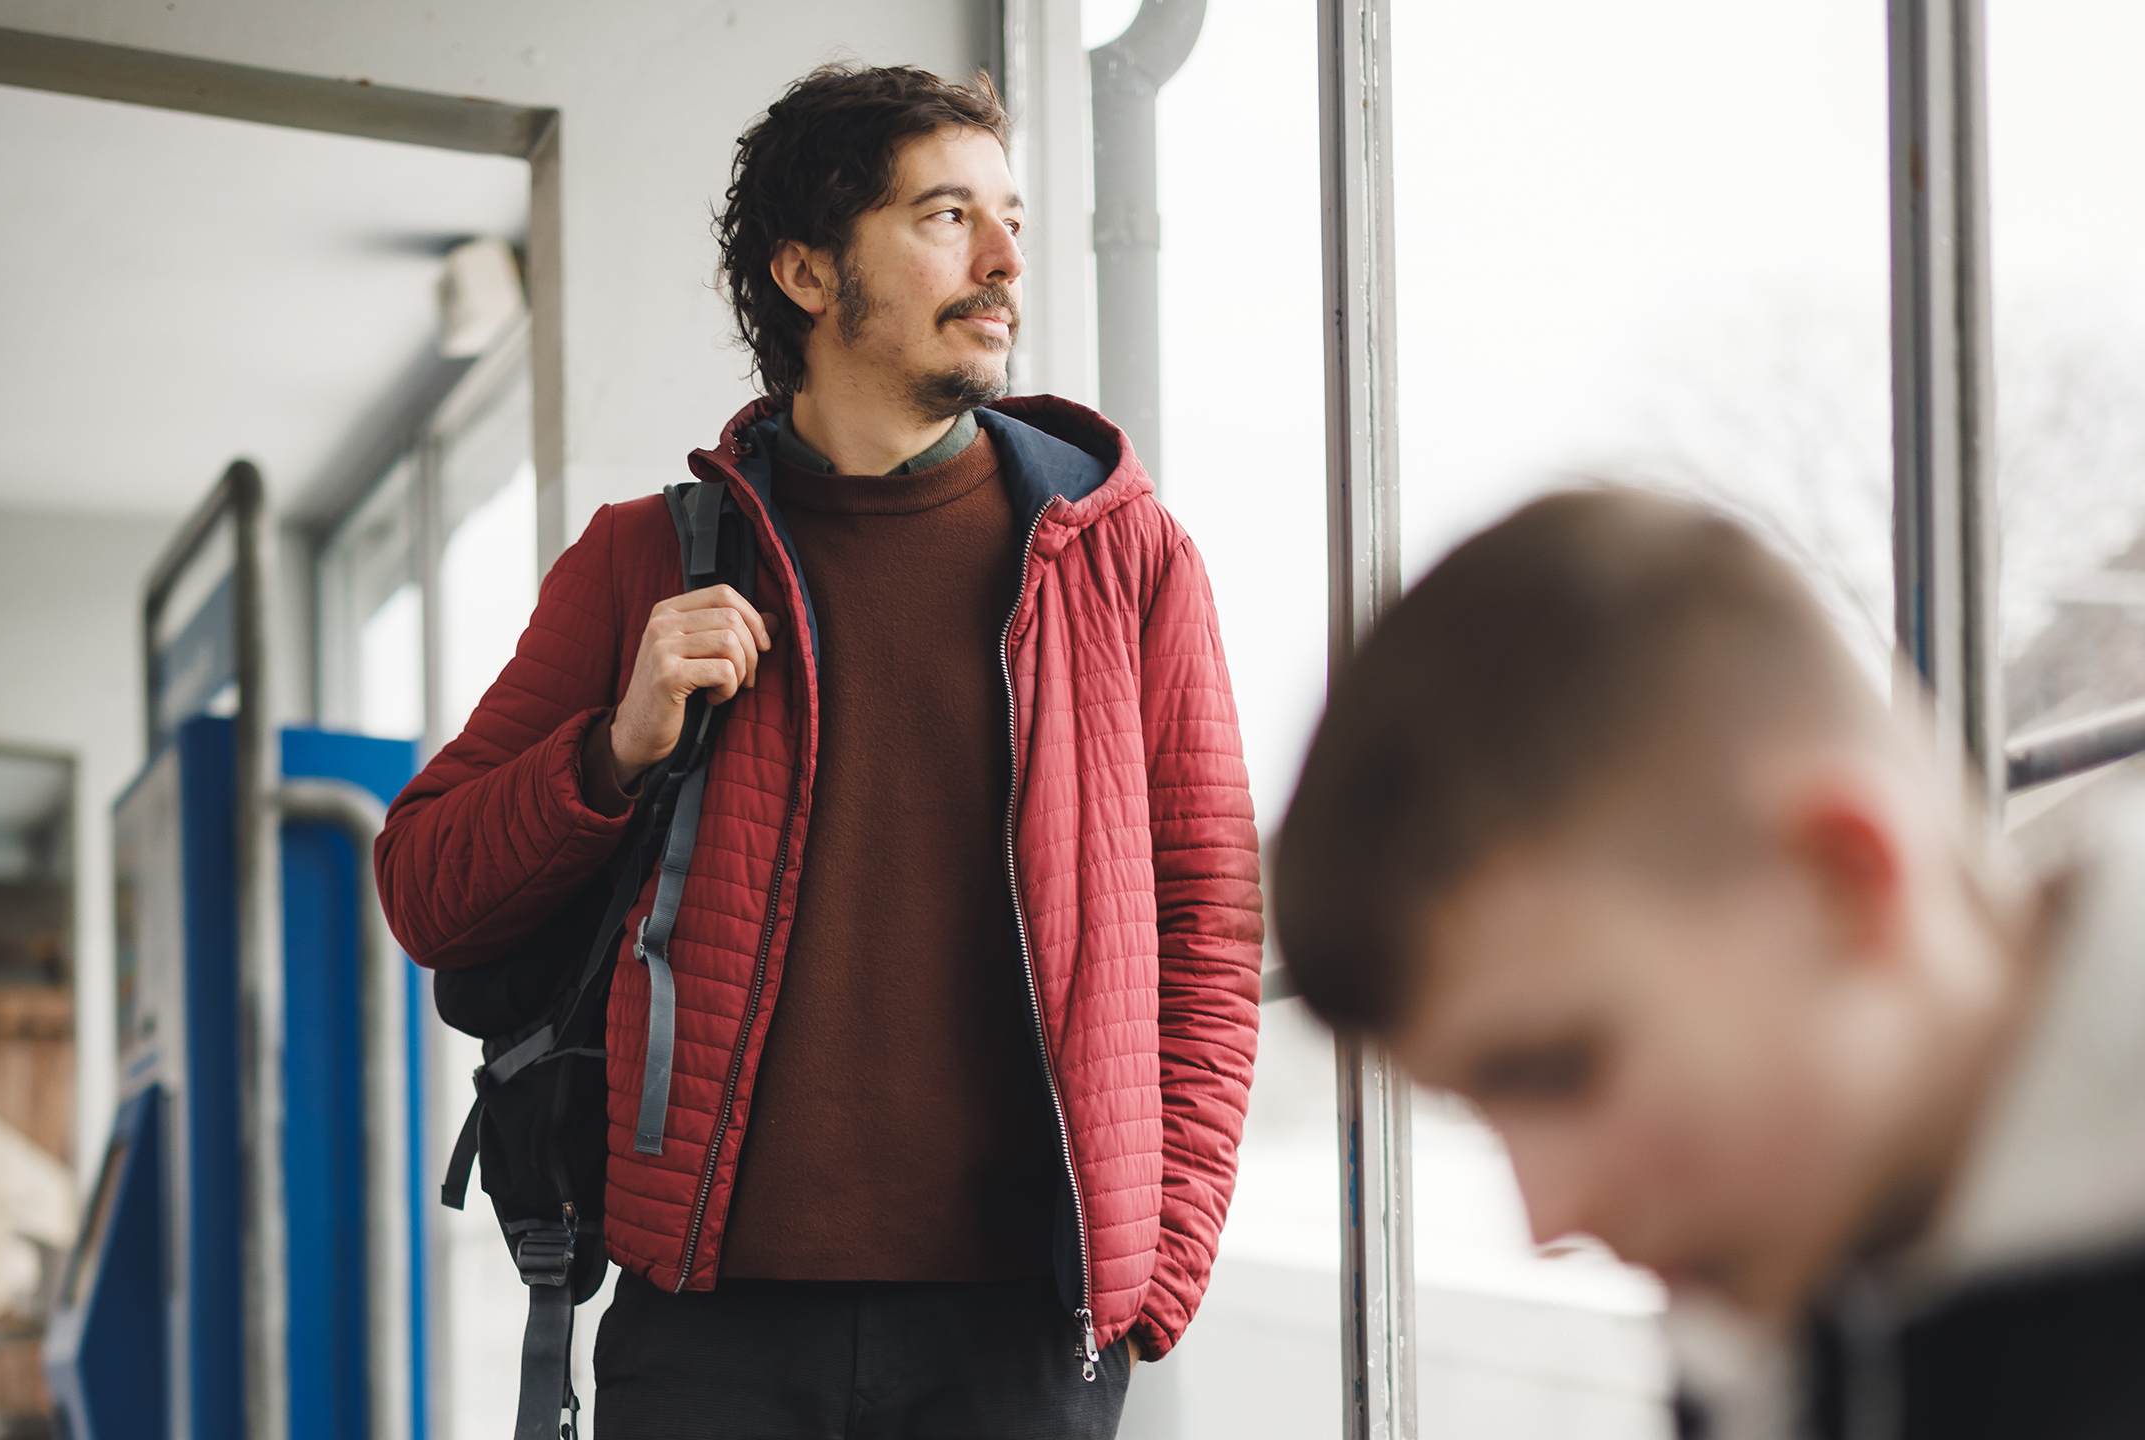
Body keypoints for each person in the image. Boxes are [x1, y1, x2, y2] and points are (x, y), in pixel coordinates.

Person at [374, 63, 1262, 1440]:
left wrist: (1157, 1277)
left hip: (1021, 1337)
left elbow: (1209, 932)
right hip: (709, 1332)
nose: (1006, 258)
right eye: (946, 215)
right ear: (806, 270)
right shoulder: (640, 561)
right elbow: (427, 886)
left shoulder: (1123, 561)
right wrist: (613, 753)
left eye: (1008, 218)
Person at [1273, 488, 2145, 1440]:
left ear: (1845, 880)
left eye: (1562, 1071)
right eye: (1485, 1112)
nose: (1548, 1212)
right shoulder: (1773, 1307)